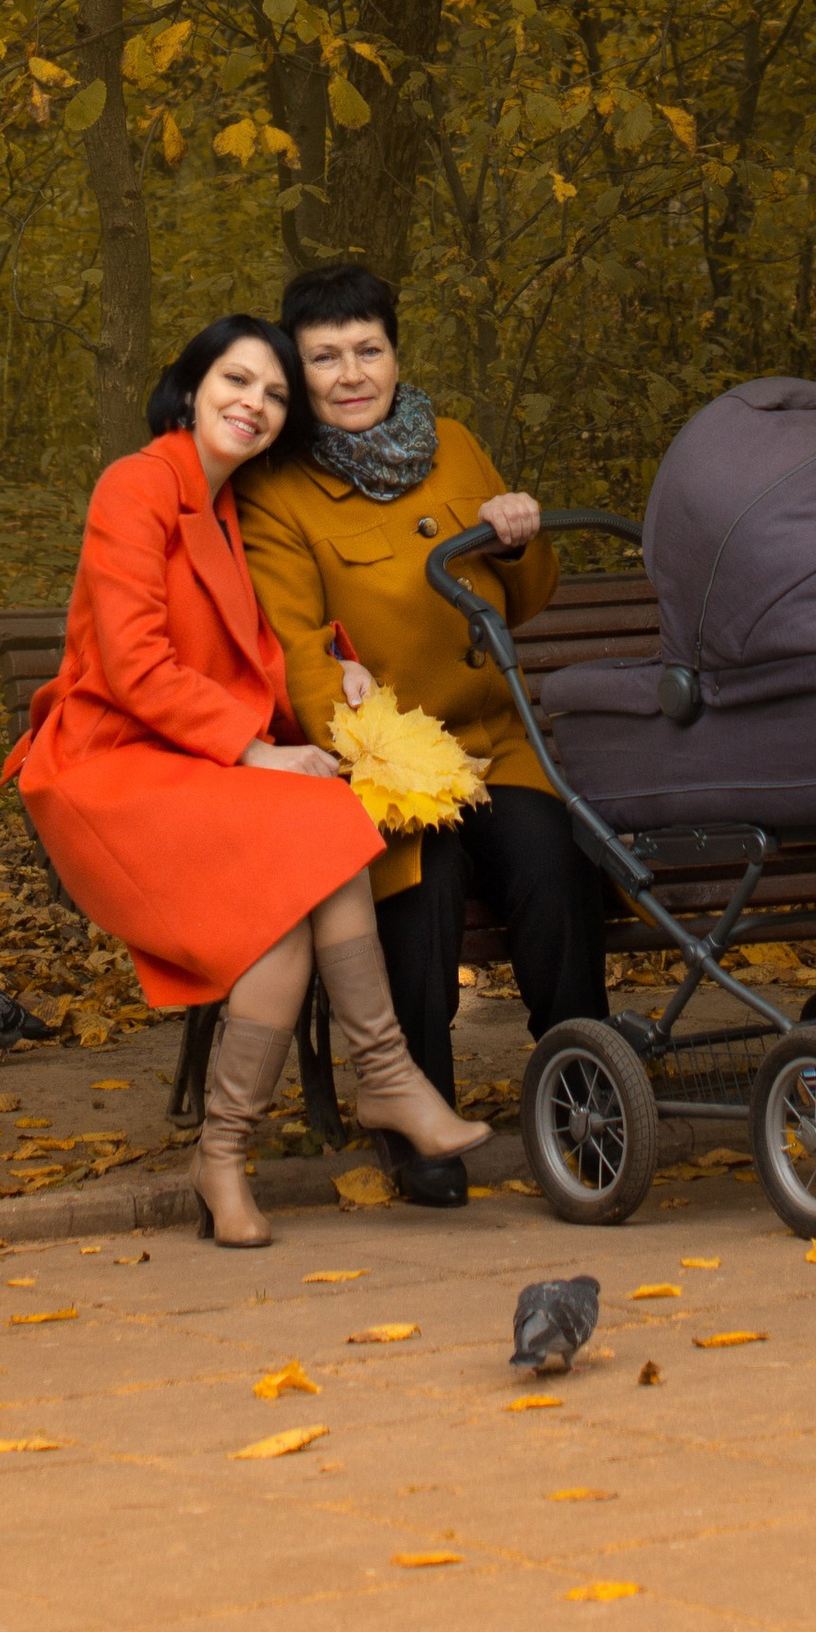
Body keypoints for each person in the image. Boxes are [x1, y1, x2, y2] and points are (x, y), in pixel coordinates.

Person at [5, 311, 487, 1247]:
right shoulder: (137, 488)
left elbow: (255, 650)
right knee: (310, 824)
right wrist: (257, 749)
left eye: (272, 394)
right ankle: (382, 1076)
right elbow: (137, 665)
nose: (255, 405)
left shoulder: (229, 506)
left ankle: (228, 1152)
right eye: (236, 383)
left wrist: (338, 665)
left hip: (188, 765)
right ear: (191, 392)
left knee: (298, 878)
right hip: (106, 767)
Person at [237, 261, 610, 1208]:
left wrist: (521, 540)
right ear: (298, 368)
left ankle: (586, 1096)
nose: (351, 373)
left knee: (554, 867)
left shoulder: (452, 444)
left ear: (396, 354)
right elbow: (299, 653)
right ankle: (417, 1116)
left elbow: (523, 601)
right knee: (421, 890)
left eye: (369, 349)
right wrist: (362, 741)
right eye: (325, 357)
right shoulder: (278, 492)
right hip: (387, 760)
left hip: (496, 740)